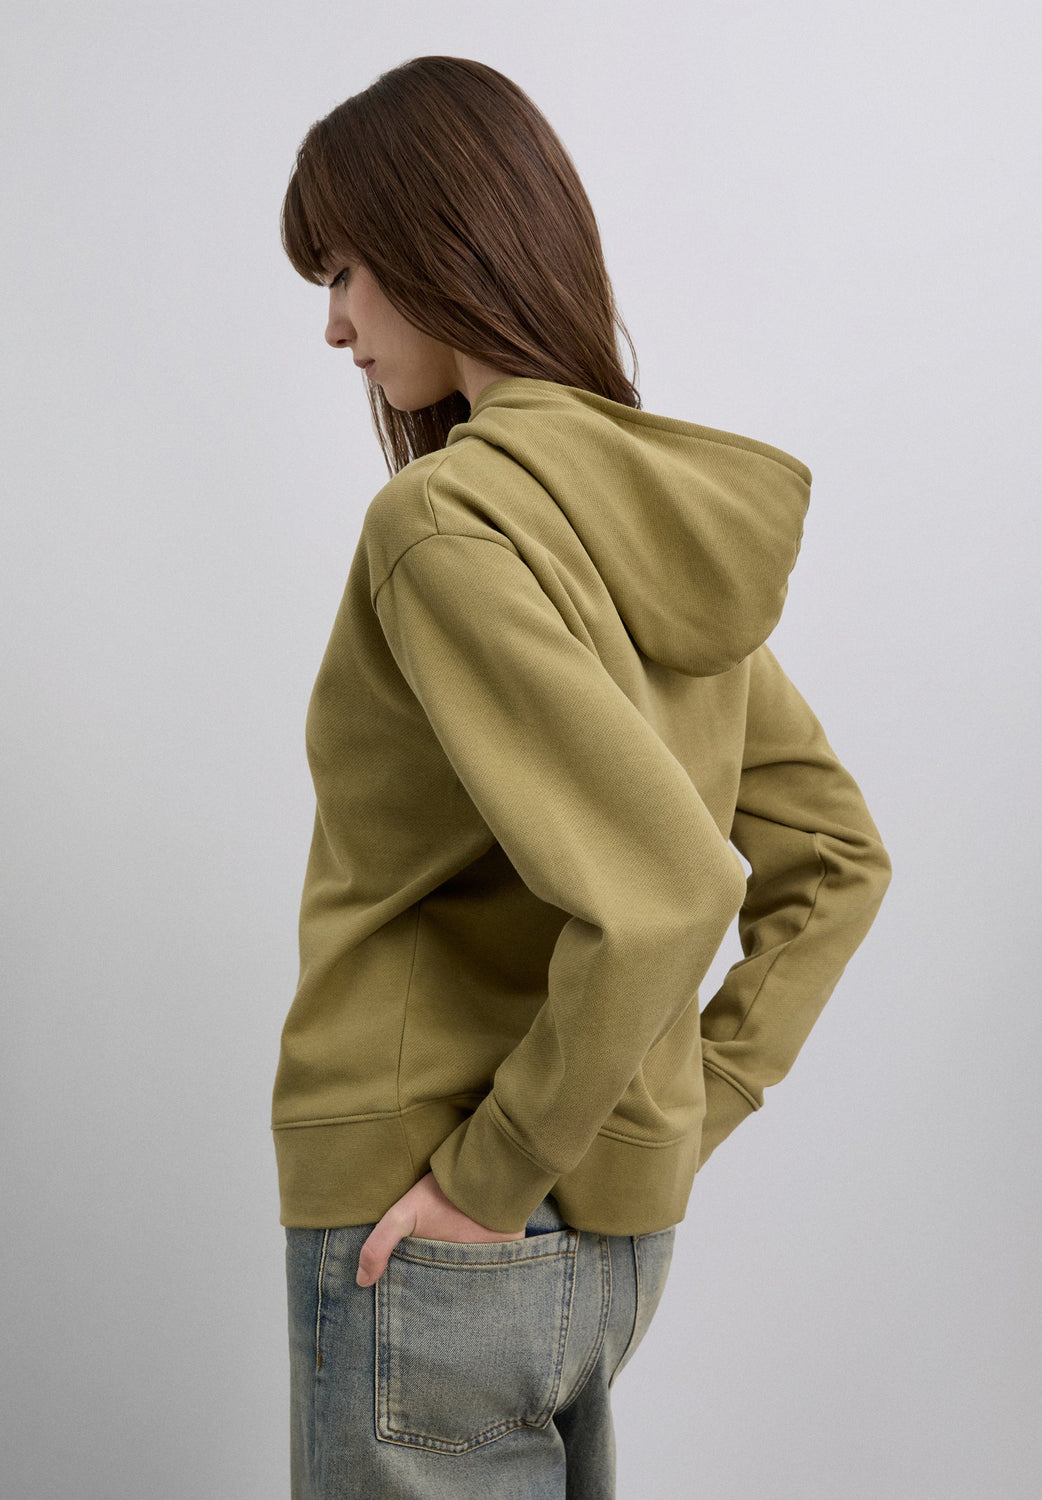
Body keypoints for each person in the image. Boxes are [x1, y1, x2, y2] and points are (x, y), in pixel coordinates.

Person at [270, 54, 893, 1500]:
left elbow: (668, 888)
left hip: (433, 1203)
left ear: (440, 241)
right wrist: (680, 1102)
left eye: (347, 269)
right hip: (604, 1243)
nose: (333, 323)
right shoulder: (652, 528)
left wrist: (488, 1176)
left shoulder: (442, 524)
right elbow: (836, 860)